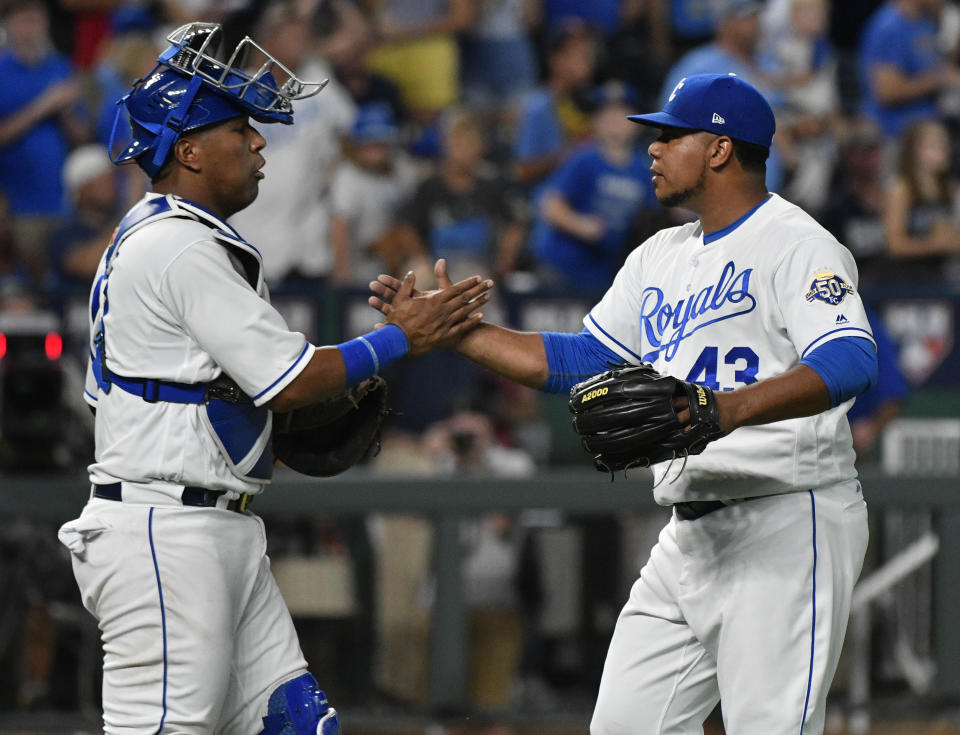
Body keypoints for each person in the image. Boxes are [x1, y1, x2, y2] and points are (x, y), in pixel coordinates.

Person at [371, 73, 878, 734]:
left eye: (670, 135)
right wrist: (460, 332)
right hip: (689, 535)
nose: (652, 149)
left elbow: (850, 359)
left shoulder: (797, 242)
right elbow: (582, 359)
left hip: (788, 515)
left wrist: (725, 409)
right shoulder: (659, 255)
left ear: (721, 148)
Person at [56, 22, 492, 734]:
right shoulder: (174, 244)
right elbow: (288, 380)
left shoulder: (177, 236)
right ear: (188, 150)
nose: (260, 143)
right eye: (240, 131)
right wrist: (397, 340)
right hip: (165, 534)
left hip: (211, 524)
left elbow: (239, 391)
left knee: (295, 722)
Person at [530, 81, 658, 297]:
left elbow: (654, 211)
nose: (614, 122)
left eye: (622, 115)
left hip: (606, 270)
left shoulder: (642, 168)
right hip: (564, 265)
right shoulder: (584, 158)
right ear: (595, 121)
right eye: (606, 115)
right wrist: (582, 225)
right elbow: (550, 205)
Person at [858, 0, 960, 140]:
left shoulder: (927, 20)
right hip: (896, 136)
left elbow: (936, 64)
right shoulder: (889, 27)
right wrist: (937, 80)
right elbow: (887, 92)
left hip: (931, 129)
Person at [883, 118, 960, 282]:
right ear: (914, 151)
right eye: (934, 145)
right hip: (905, 280)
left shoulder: (950, 188)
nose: (944, 150)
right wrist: (936, 244)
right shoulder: (901, 189)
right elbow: (894, 244)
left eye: (944, 144)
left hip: (940, 277)